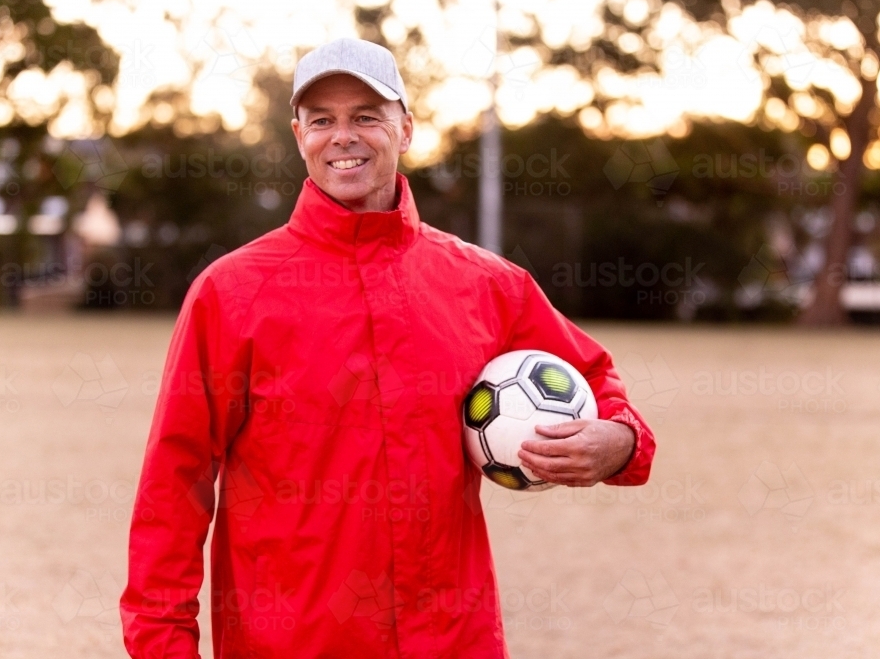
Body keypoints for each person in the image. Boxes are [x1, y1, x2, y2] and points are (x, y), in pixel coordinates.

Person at [120, 37, 656, 658]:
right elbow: (174, 483)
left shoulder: (487, 285)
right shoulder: (231, 293)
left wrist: (618, 444)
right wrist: (163, 648)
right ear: (299, 136)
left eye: (366, 116)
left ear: (405, 128)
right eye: (323, 120)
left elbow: (596, 380)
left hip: (455, 642)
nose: (342, 136)